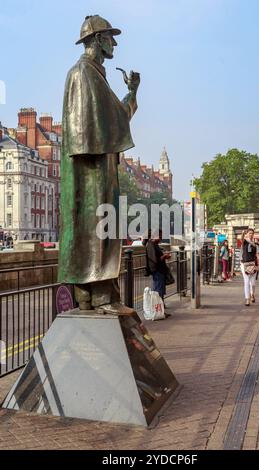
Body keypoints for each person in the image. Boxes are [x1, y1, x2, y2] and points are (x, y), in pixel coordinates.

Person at [57, 15, 140, 315]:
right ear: (96, 40)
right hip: (90, 169)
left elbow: (115, 118)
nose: (114, 42)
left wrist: (132, 93)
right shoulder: (83, 73)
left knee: (98, 229)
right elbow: (87, 132)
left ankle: (94, 296)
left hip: (99, 164)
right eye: (109, 36)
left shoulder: (95, 74)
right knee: (94, 229)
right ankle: (97, 296)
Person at [146, 230, 171, 314]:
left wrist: (164, 256)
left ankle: (161, 310)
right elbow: (154, 260)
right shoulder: (151, 245)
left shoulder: (155, 244)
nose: (161, 238)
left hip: (160, 271)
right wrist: (164, 256)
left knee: (161, 291)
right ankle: (158, 311)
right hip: (157, 271)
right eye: (160, 236)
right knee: (158, 291)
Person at [240, 228, 258, 306]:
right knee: (246, 281)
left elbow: (257, 255)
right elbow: (241, 239)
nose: (251, 235)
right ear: (247, 234)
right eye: (249, 233)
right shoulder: (244, 242)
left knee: (253, 283)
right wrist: (243, 234)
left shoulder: (255, 244)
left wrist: (258, 265)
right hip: (244, 264)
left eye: (252, 233)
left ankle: (252, 294)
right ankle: (247, 299)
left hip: (253, 264)